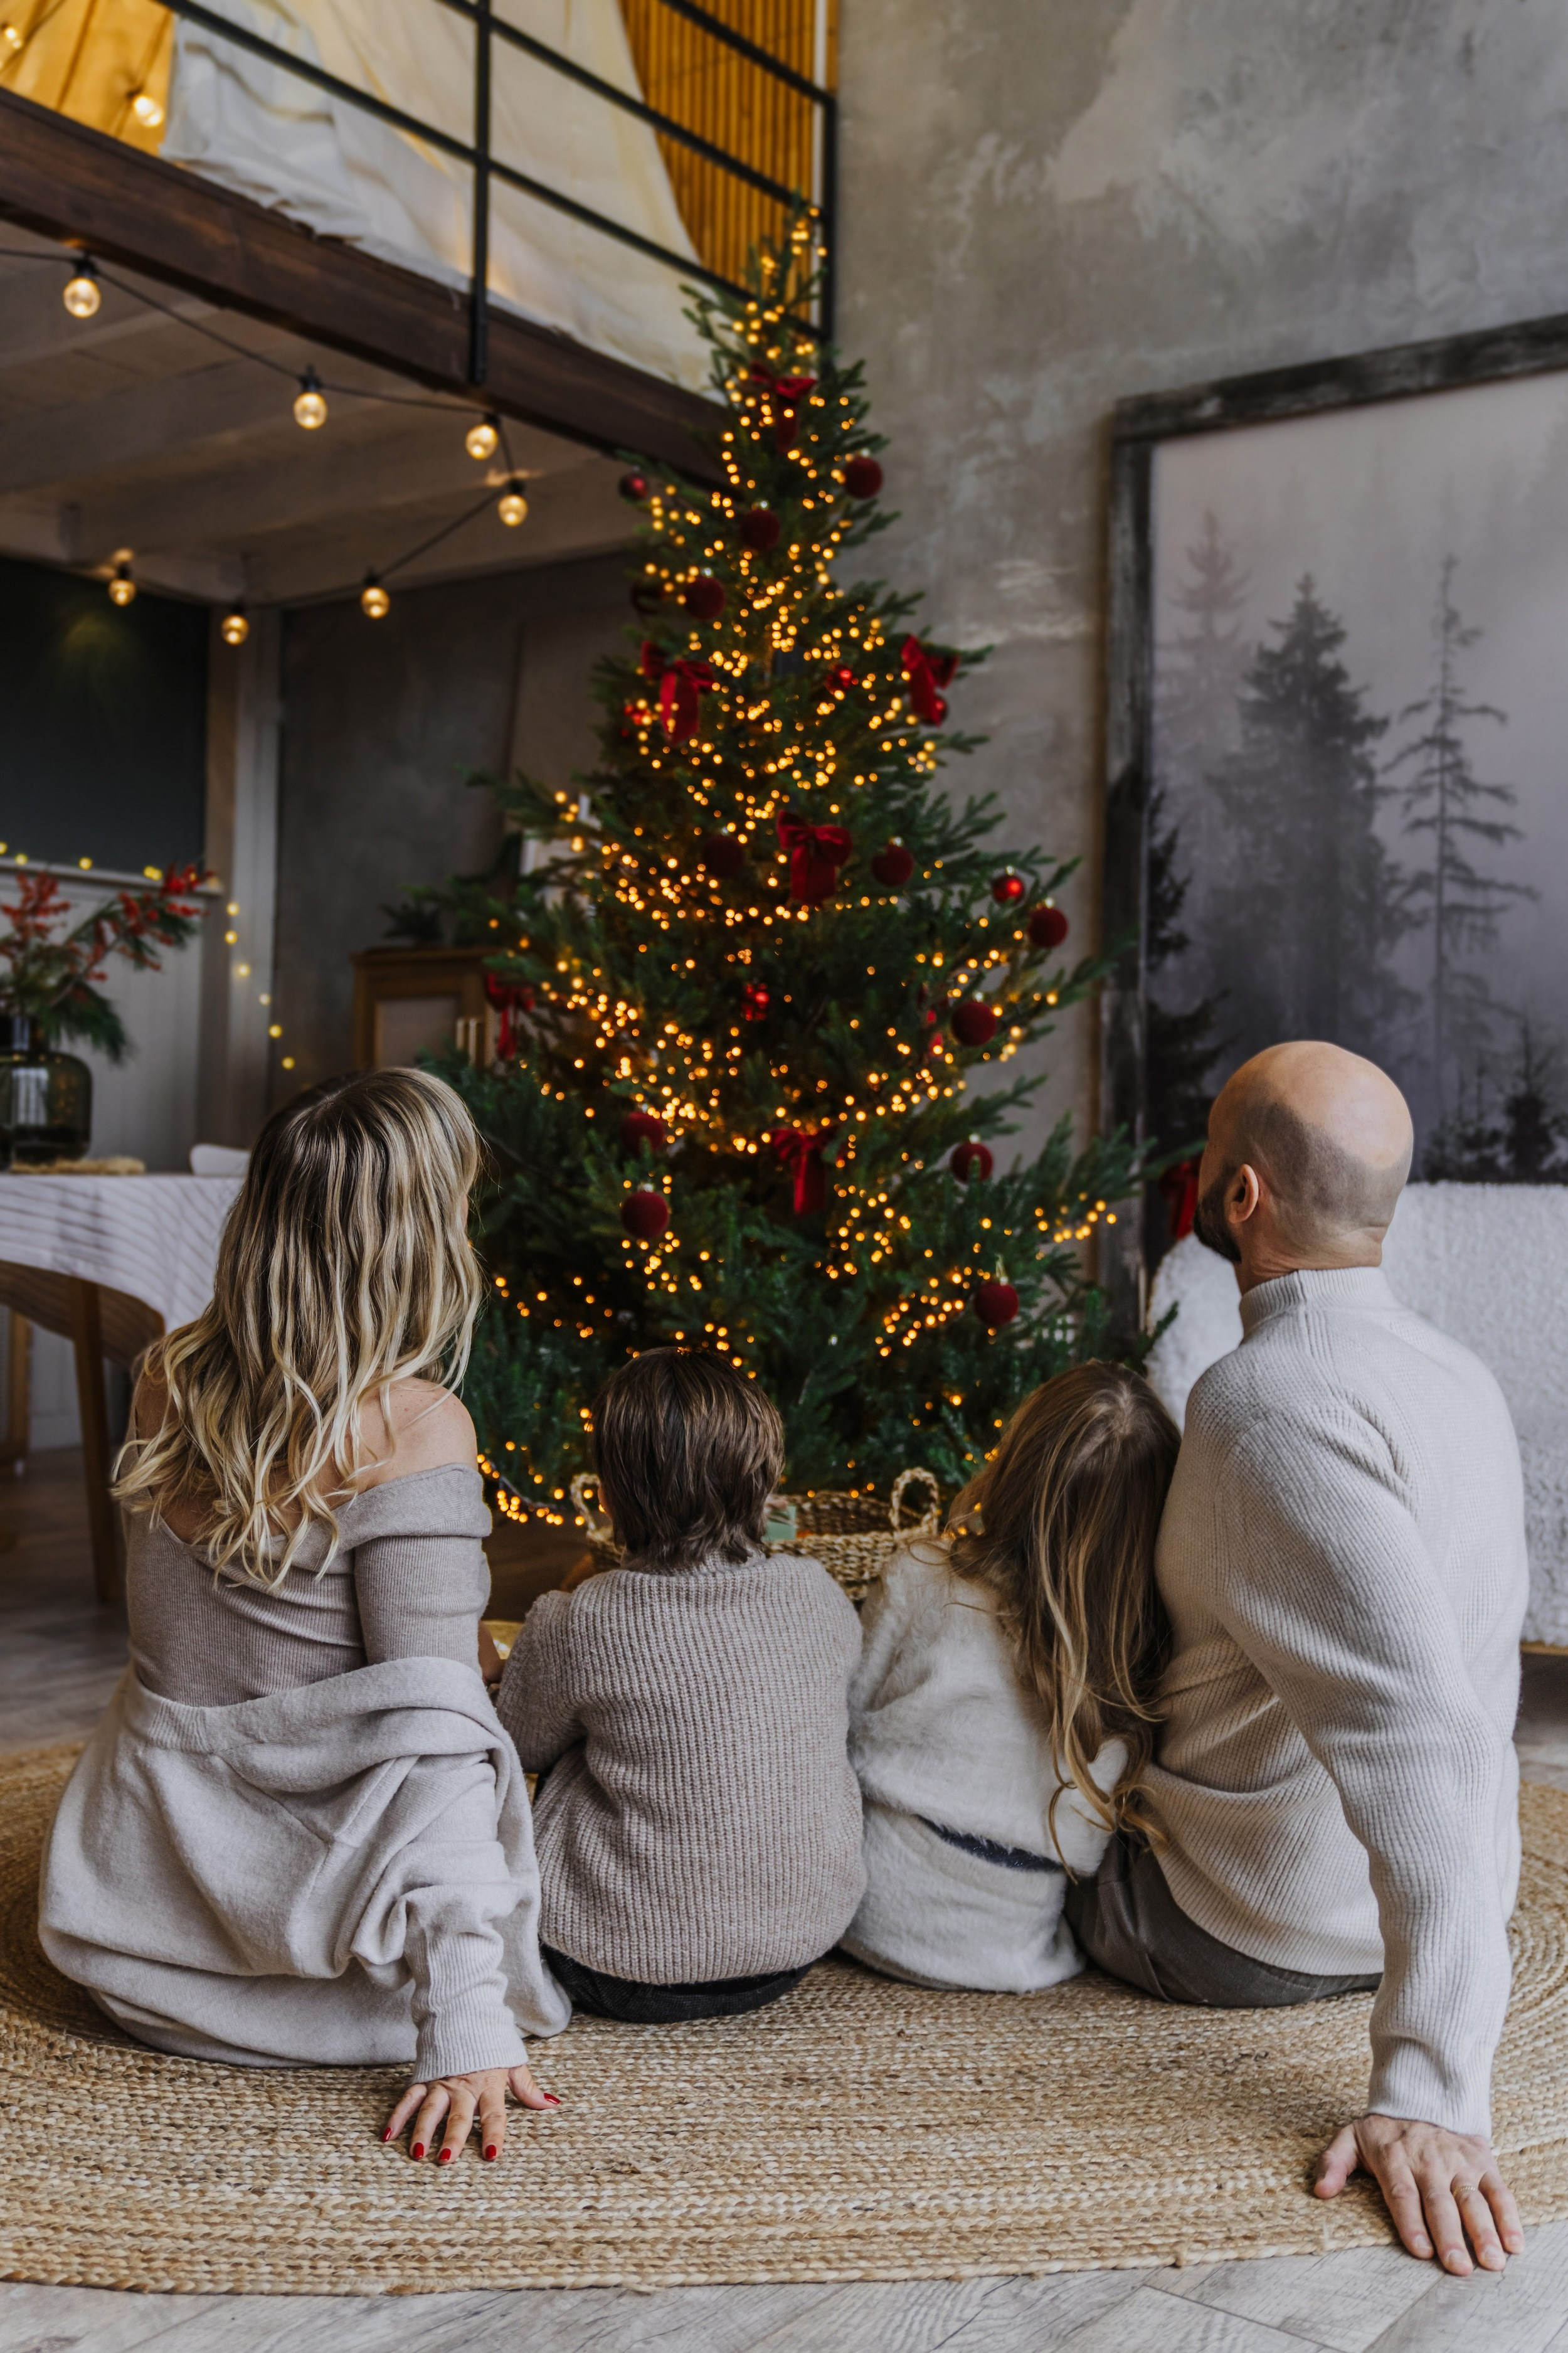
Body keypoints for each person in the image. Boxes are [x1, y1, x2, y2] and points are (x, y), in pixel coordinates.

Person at [38, 1068, 569, 2167]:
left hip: (147, 1923)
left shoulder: (166, 1373)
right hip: (317, 1964)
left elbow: (233, 1647)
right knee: (474, 1732)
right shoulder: (417, 1425)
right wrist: (467, 2017)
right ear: (422, 1240)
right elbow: (433, 1744)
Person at [1066, 1041, 1529, 2277]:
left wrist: (1430, 2090)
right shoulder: (1454, 1376)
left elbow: (1415, 1729)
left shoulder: (1266, 1402)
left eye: (1208, 1154)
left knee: (1013, 1730)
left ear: (1237, 1198)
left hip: (1242, 1930)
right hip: (1385, 1902)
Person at [494, 1346, 864, 2022]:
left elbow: (516, 1747)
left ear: (610, 1490)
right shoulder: (821, 1592)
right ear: (765, 1475)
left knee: (581, 1745)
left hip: (610, 1958)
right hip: (795, 1949)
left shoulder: (580, 1617)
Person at [843, 1362, 1179, 1992]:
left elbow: (844, 1722)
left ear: (1014, 1465)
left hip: (870, 1908)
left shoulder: (921, 1574)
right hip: (1010, 1946)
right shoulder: (1143, 1651)